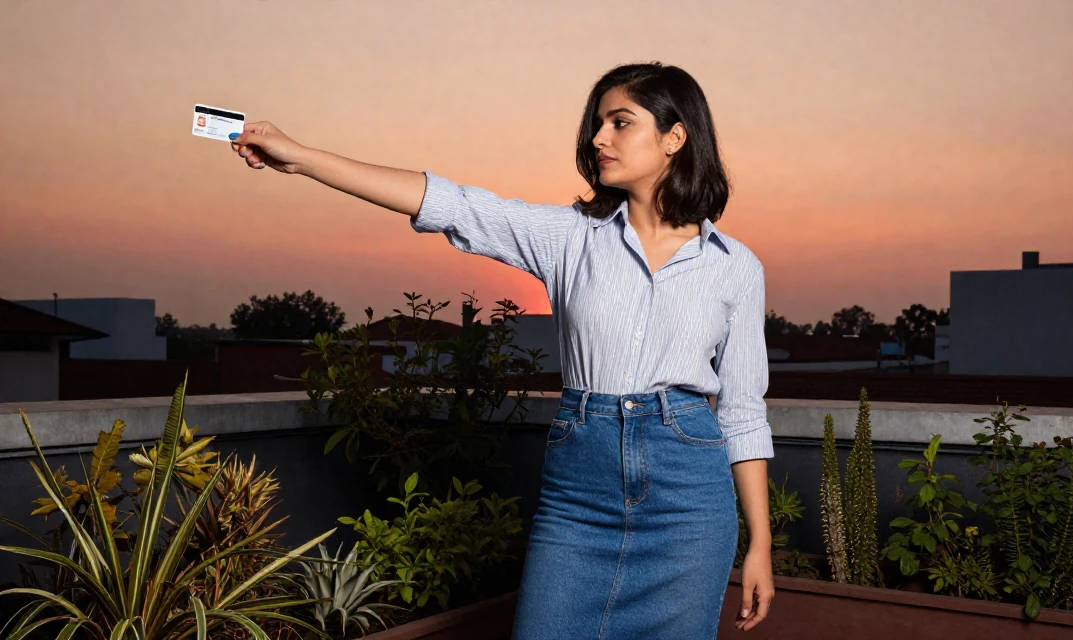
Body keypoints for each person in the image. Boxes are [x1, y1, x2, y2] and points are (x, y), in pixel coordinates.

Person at [228, 61, 775, 639]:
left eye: (620, 122)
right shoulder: (570, 237)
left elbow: (743, 411)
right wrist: (301, 157)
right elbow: (451, 204)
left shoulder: (734, 268)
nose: (598, 138)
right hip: (578, 497)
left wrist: (759, 543)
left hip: (688, 502)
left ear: (674, 137)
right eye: (597, 124)